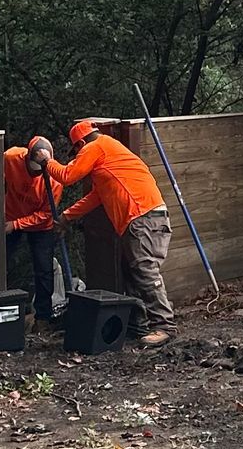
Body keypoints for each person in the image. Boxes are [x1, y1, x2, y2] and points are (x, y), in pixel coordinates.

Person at [49, 119, 173, 327]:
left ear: (81, 144)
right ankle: (139, 323)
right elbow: (95, 197)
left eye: (77, 152)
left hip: (142, 216)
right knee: (133, 272)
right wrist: (66, 217)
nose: (79, 156)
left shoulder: (96, 146)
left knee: (144, 269)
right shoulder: (109, 159)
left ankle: (164, 324)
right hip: (142, 218)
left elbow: (68, 176)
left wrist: (46, 161)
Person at [2, 135, 63, 326]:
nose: (36, 174)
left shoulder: (54, 178)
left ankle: (43, 318)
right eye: (33, 169)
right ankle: (1, 310)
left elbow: (46, 213)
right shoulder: (10, 158)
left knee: (44, 269)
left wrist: (17, 224)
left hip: (39, 225)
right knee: (1, 261)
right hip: (10, 216)